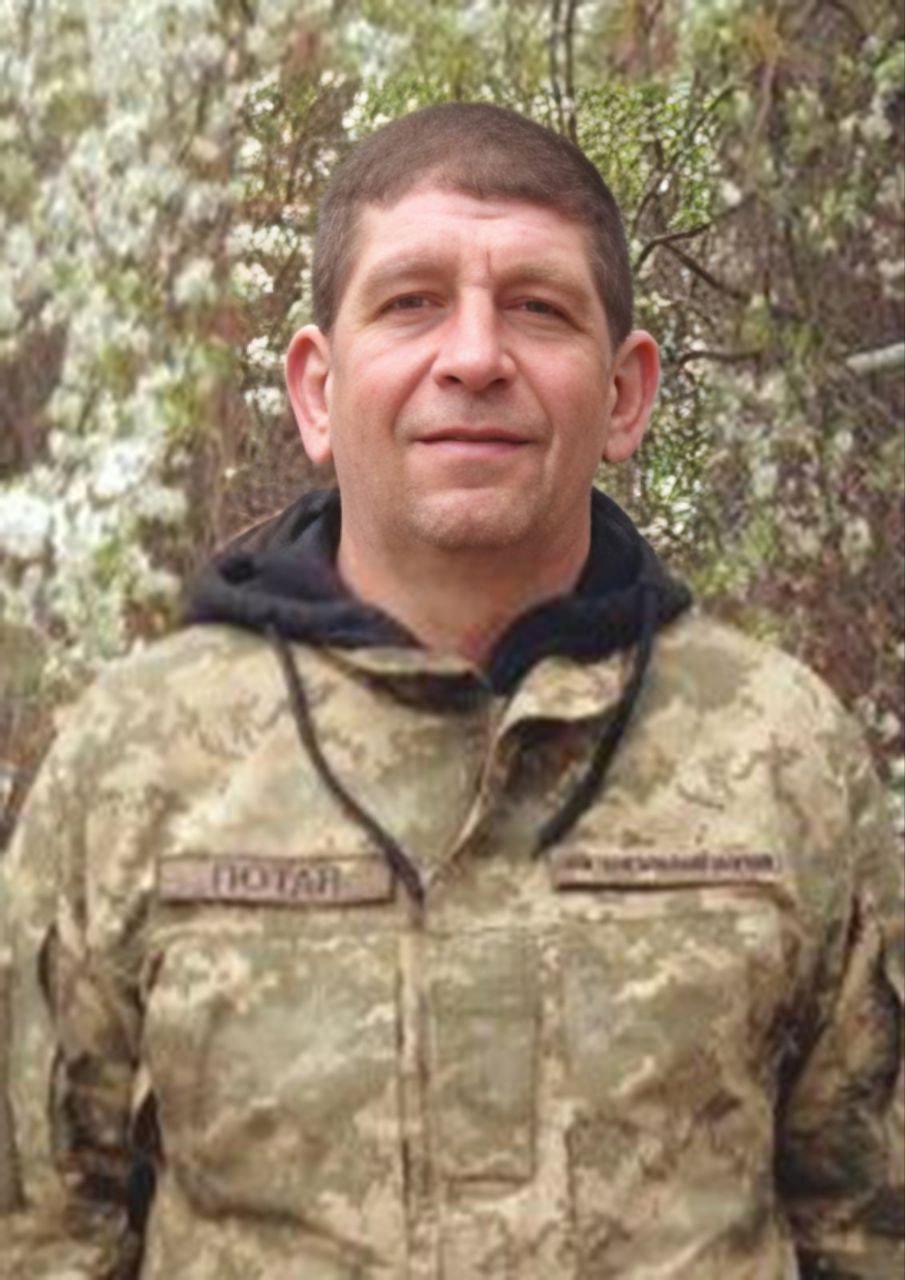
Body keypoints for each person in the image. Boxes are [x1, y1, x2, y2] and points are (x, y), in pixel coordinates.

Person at [0, 102, 901, 1279]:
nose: (473, 357)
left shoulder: (782, 750)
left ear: (625, 392)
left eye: (537, 307)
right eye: (411, 302)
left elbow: (865, 1226)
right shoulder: (138, 757)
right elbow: (41, 1230)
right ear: (315, 391)